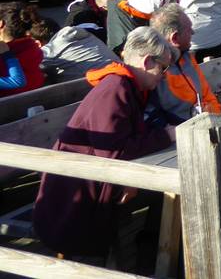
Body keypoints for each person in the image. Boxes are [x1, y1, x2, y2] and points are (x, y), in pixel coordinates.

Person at [32, 26, 176, 258]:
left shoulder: (128, 86)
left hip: (93, 181)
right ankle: (153, 258)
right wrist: (166, 136)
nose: (164, 75)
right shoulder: (116, 89)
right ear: (147, 61)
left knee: (167, 195)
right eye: (163, 68)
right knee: (168, 194)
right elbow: (113, 151)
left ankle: (152, 257)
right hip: (75, 197)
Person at [149, 4, 221, 122]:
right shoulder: (154, 72)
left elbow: (208, 95)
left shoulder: (187, 57)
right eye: (189, 29)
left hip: (207, 124)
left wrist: (217, 118)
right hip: (181, 130)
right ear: (175, 38)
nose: (193, 32)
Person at [41, 14, 118, 82]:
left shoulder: (52, 49)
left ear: (38, 43)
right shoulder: (84, 35)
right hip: (119, 77)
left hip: (99, 85)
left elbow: (35, 64)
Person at [0, 2, 44, 96]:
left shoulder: (5, 55)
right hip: (36, 101)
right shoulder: (34, 48)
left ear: (1, 24)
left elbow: (18, 81)